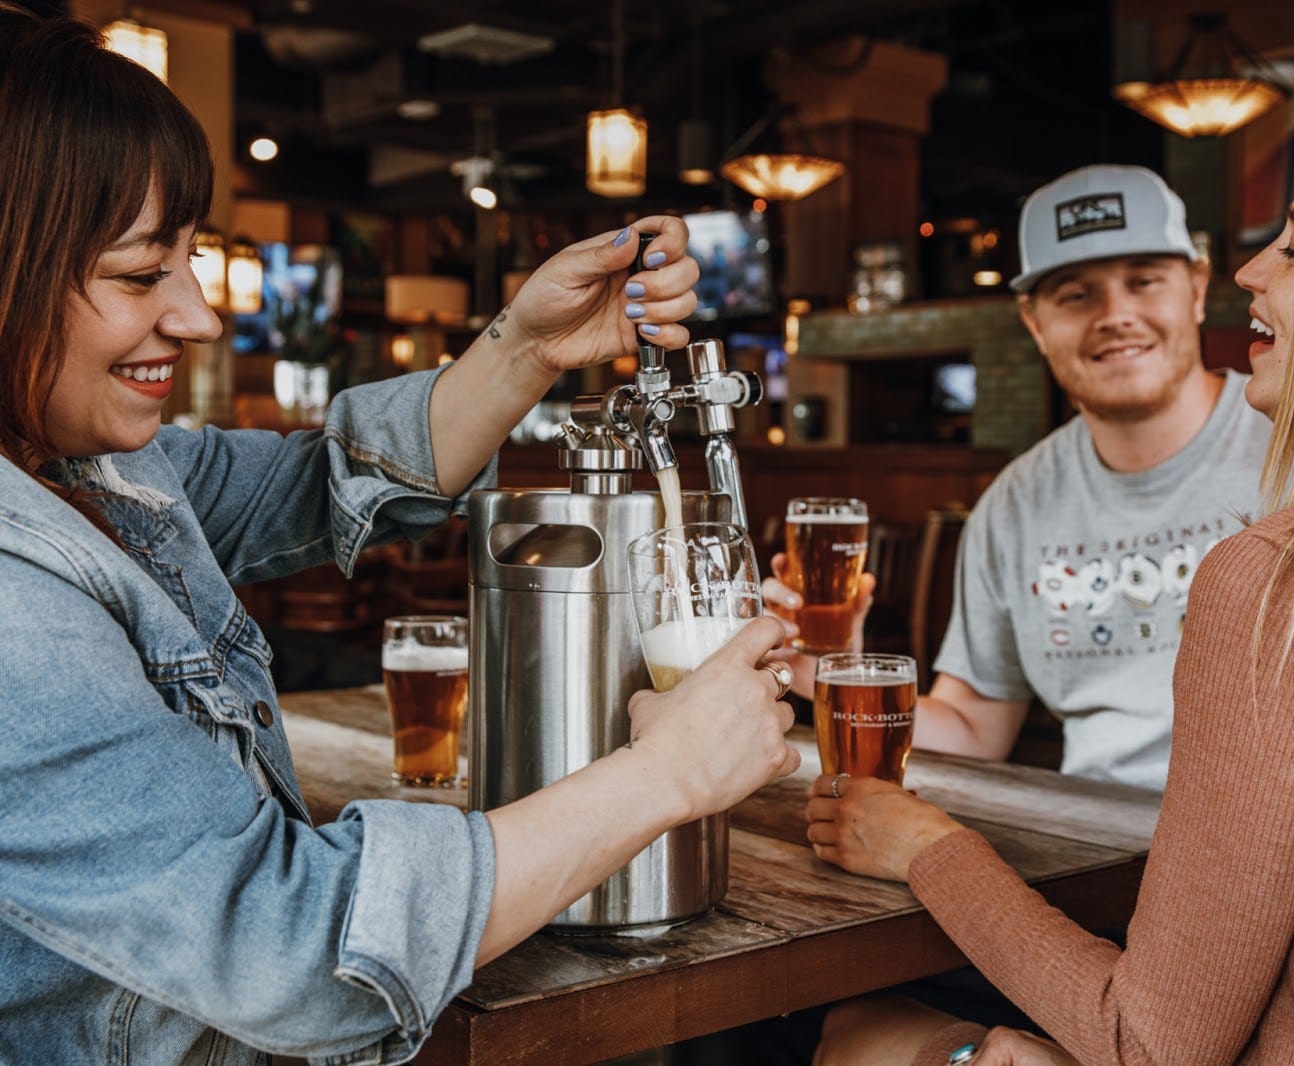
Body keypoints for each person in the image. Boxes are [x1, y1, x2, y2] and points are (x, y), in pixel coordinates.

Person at [0, 11, 800, 1065]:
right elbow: (296, 951)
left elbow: (317, 480)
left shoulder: (94, 468)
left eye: (191, 263)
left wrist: (527, 344)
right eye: (143, 275)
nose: (197, 317)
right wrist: (669, 774)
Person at [805, 110, 1294, 1064]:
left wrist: (927, 849)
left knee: (856, 1035)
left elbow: (1153, 1045)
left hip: (1190, 993)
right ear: (1034, 319)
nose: (1252, 273)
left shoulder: (1290, 579)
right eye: (1074, 291)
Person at [769, 163, 1271, 793]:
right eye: (1076, 295)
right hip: (1098, 849)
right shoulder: (1016, 503)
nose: (1116, 314)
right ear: (1034, 321)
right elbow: (974, 728)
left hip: (1278, 842)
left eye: (1144, 282)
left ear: (1197, 290)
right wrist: (822, 669)